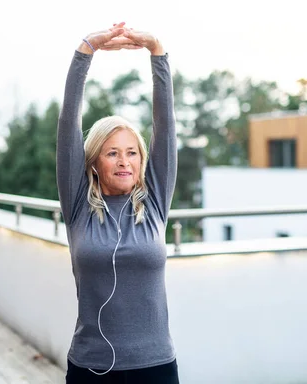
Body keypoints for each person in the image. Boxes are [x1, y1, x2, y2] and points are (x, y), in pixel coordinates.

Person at [56, 22, 179, 384]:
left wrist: (157, 51)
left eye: (132, 153)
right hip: (91, 367)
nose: (124, 161)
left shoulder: (155, 203)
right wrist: (84, 52)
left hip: (155, 367)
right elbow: (67, 126)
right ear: (93, 161)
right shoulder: (78, 207)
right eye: (112, 153)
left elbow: (166, 126)